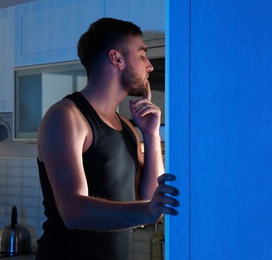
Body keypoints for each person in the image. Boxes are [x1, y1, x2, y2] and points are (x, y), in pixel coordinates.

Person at [35, 17, 180, 260]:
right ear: (117, 59)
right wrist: (147, 210)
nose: (150, 66)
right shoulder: (66, 117)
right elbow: (73, 211)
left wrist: (151, 134)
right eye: (142, 55)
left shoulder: (128, 127)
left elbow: (150, 203)